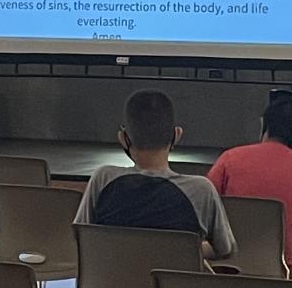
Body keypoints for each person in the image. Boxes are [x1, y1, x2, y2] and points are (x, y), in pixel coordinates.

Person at [75, 89, 235, 259]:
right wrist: (182, 249)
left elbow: (80, 238)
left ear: (123, 138)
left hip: (110, 277)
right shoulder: (201, 190)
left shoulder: (102, 179)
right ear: (177, 135)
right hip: (172, 277)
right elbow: (225, 249)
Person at [207, 93, 292, 269]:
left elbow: (205, 212)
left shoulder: (229, 160)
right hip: (286, 275)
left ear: (263, 125)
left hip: (226, 269)